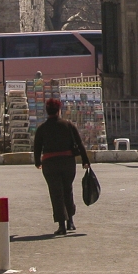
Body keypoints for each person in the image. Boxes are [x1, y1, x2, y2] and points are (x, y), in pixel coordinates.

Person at [33, 98, 90, 236]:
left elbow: (37, 148)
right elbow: (80, 143)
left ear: (47, 111)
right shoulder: (68, 125)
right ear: (59, 110)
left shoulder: (42, 128)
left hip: (50, 163)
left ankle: (61, 224)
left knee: (56, 193)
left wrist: (37, 162)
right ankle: (70, 220)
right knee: (67, 190)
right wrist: (85, 161)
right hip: (67, 162)